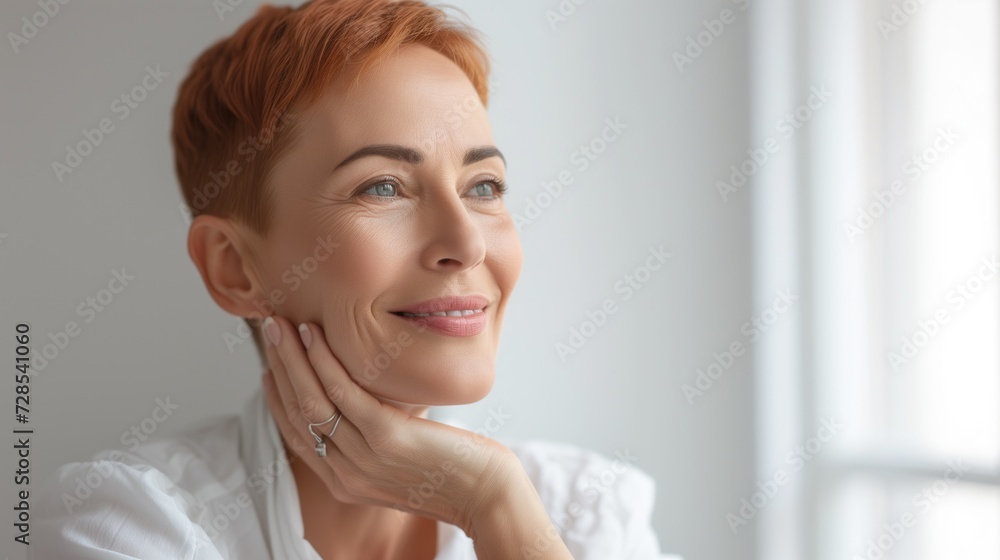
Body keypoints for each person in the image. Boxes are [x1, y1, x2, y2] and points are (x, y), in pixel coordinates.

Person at [31, 1, 680, 558]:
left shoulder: (587, 514)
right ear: (234, 267)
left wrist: (495, 506)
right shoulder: (130, 523)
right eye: (383, 187)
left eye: (482, 185)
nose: (466, 241)